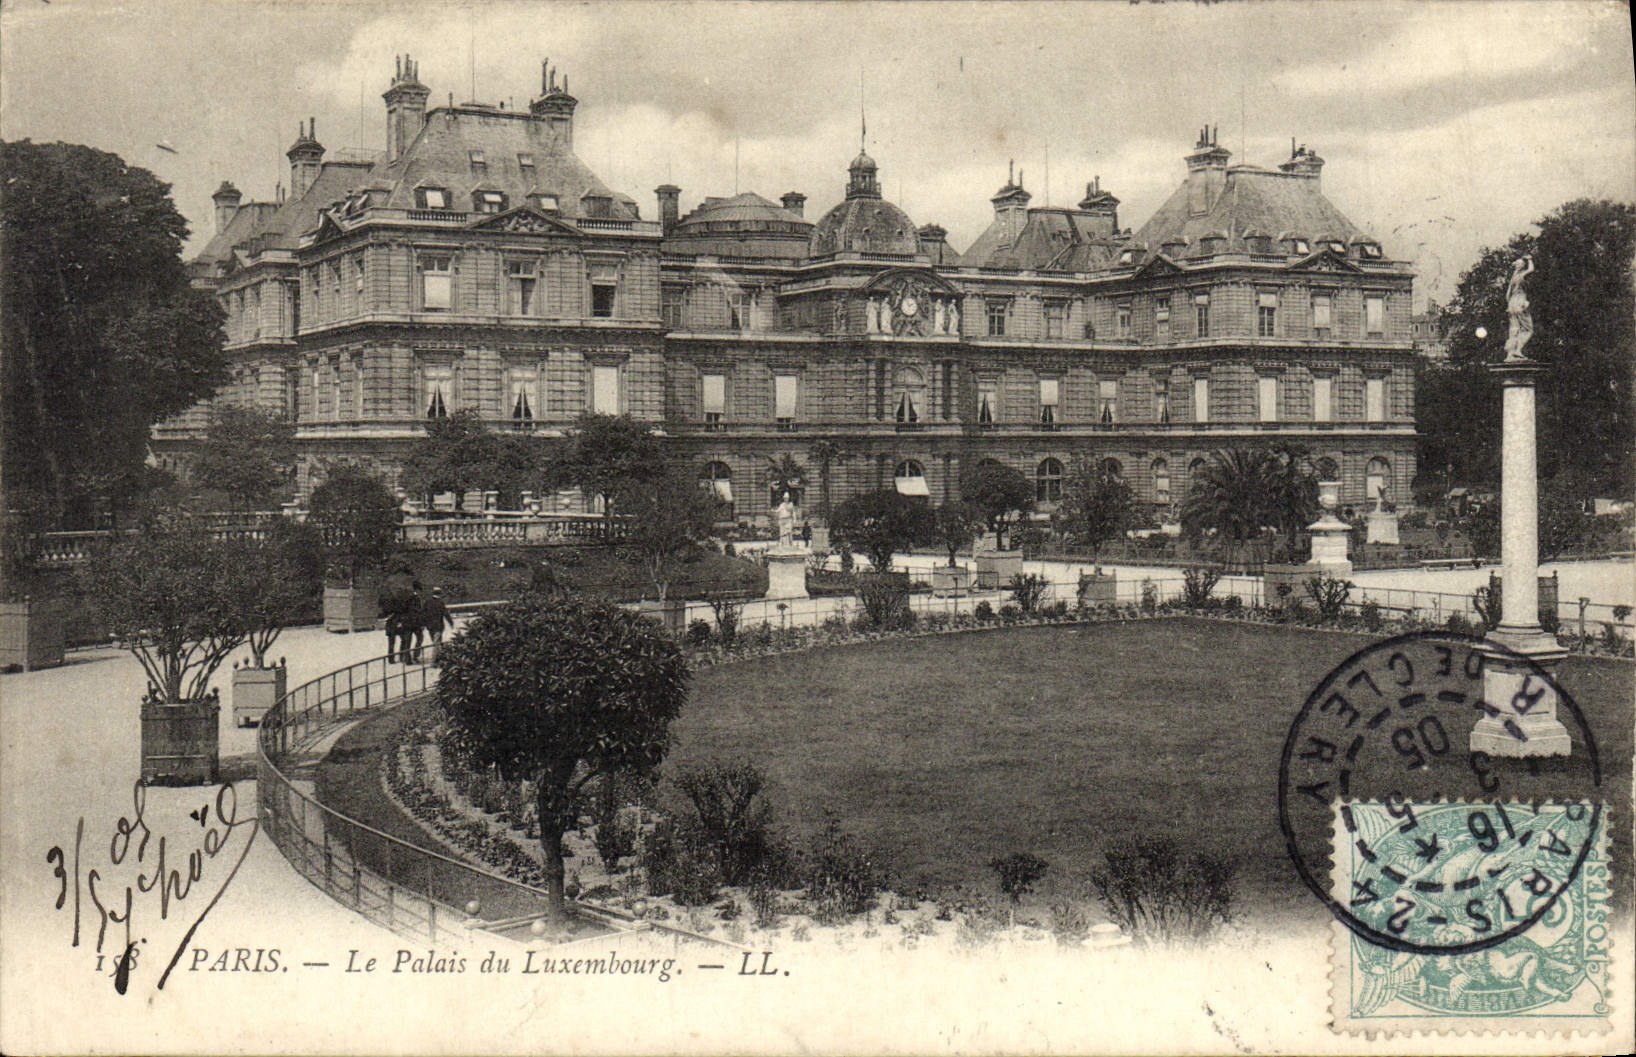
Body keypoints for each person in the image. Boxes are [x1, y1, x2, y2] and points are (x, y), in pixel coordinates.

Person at [421, 587, 454, 653]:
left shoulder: (427, 602)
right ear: (440, 594)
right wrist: (451, 623)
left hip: (430, 626)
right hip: (438, 626)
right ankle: (436, 658)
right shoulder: (440, 603)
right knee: (437, 642)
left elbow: (423, 614)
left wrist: (423, 624)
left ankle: (438, 655)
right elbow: (446, 614)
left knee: (435, 641)